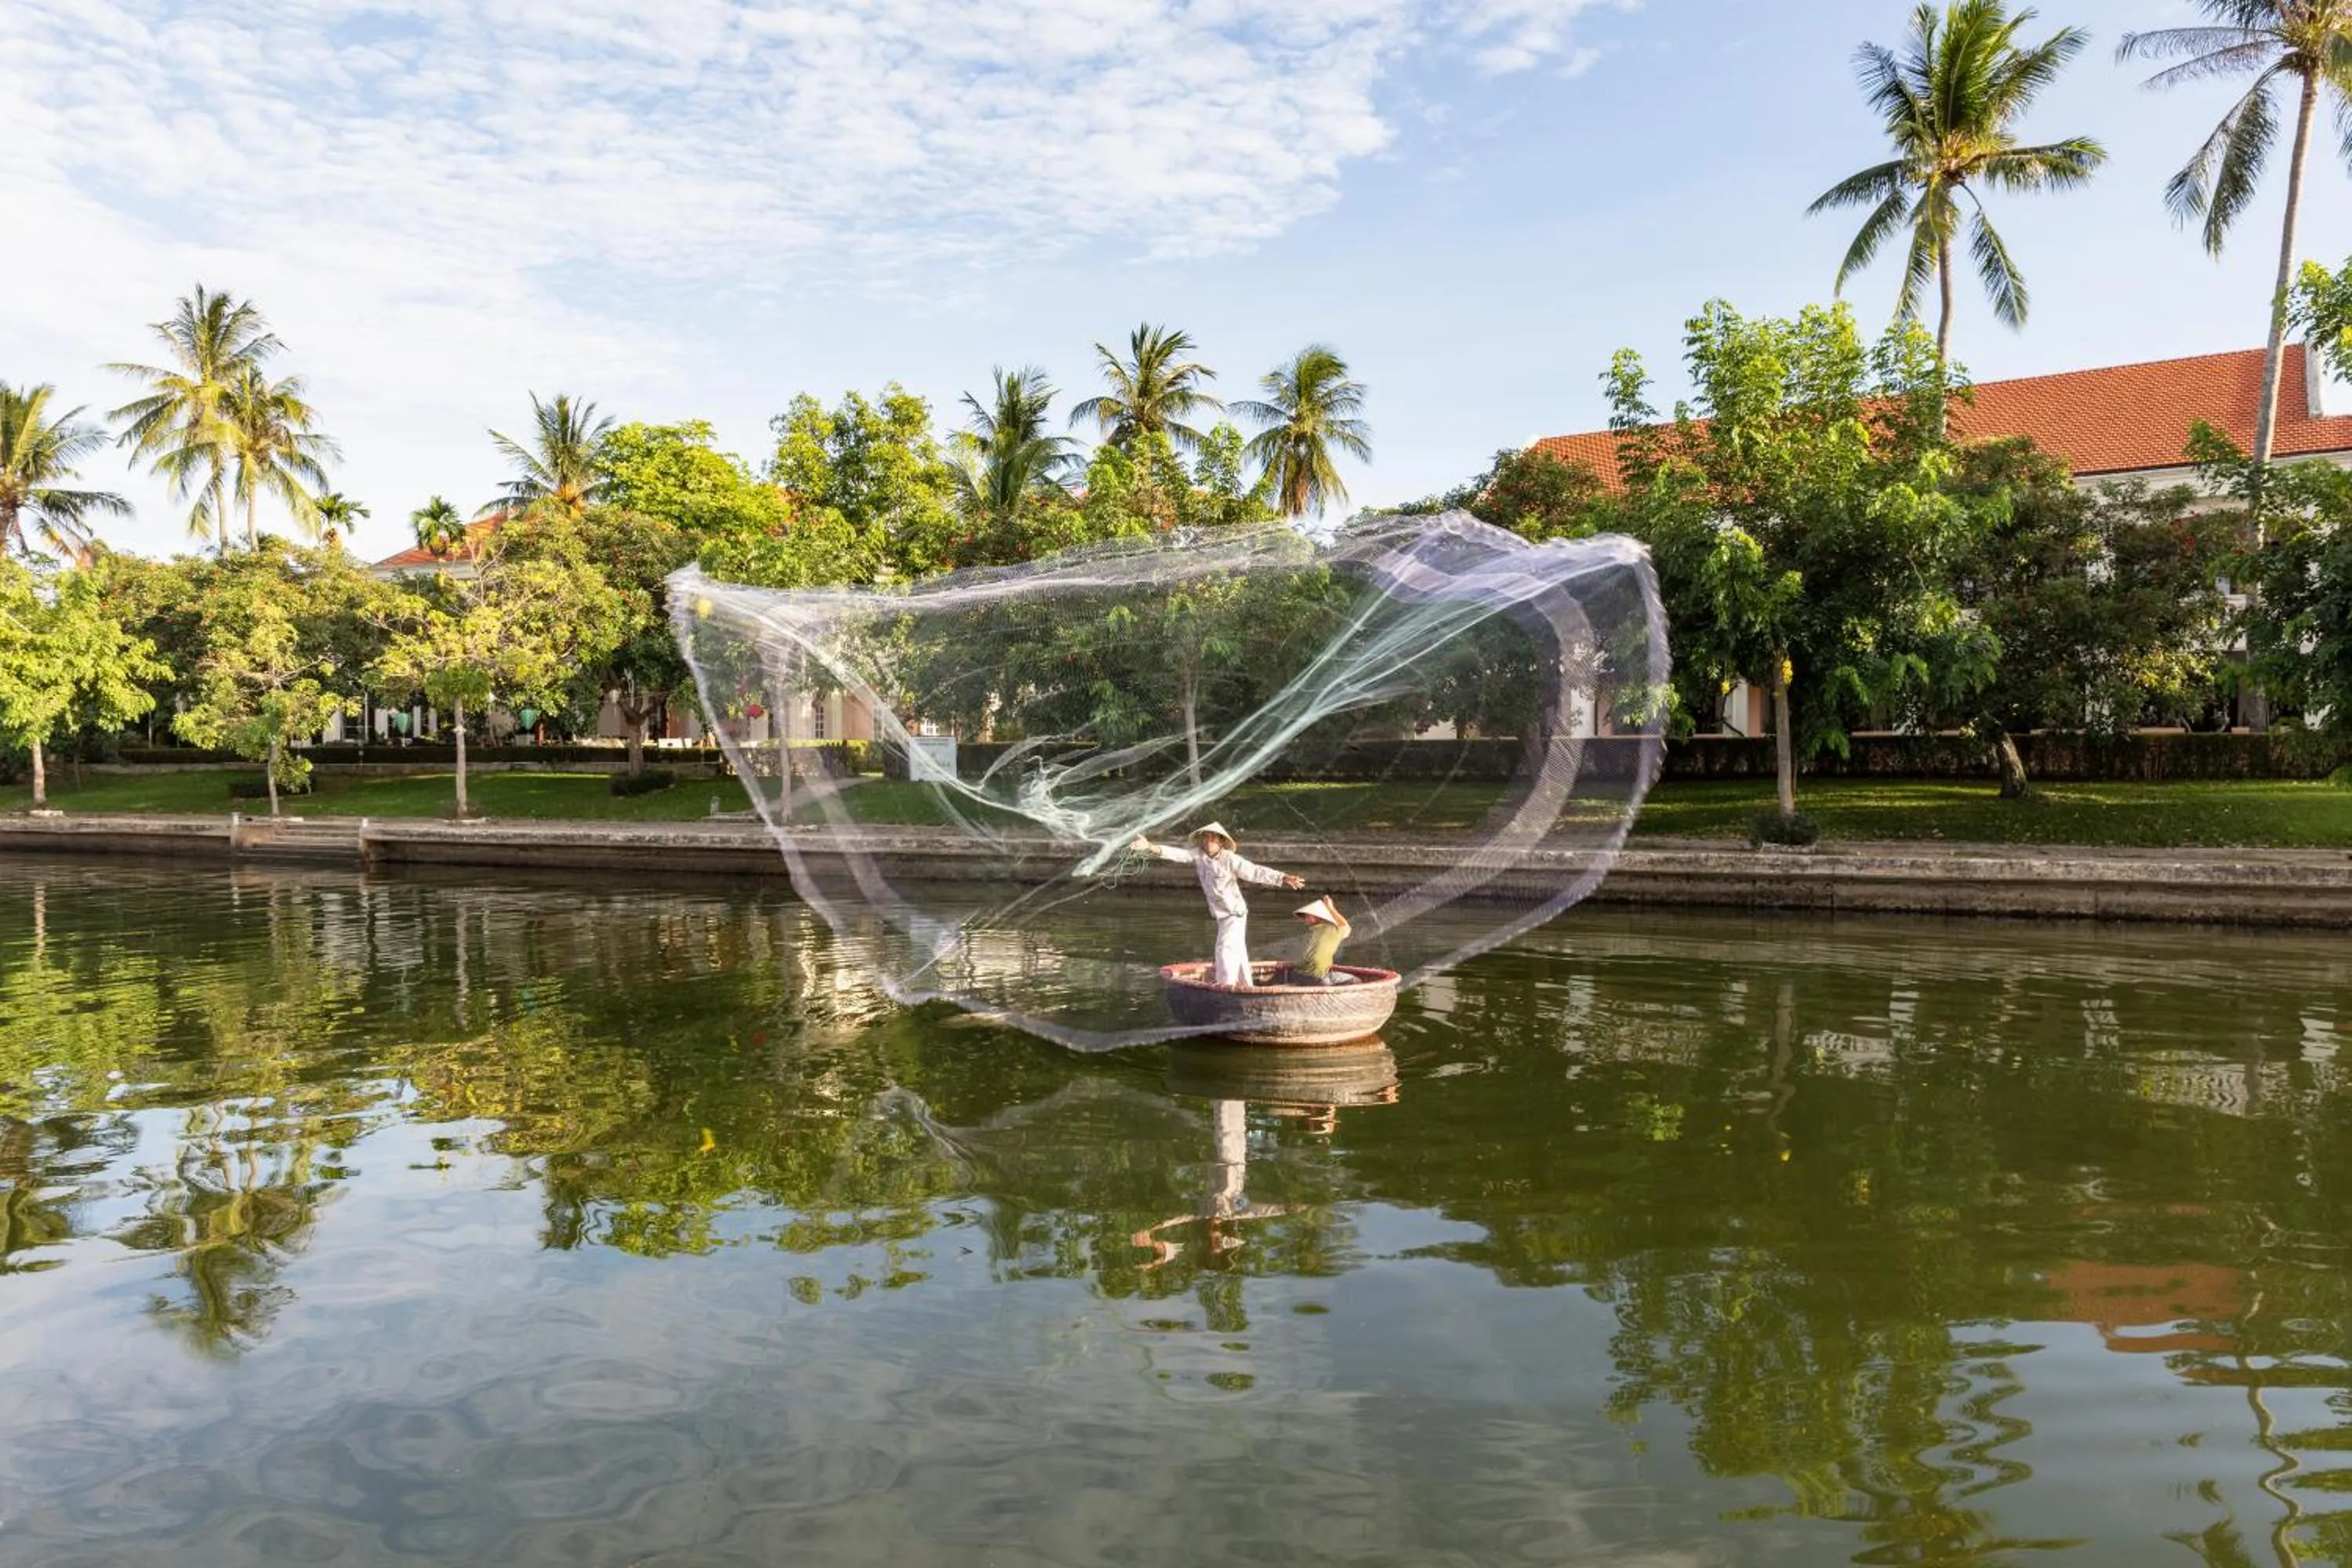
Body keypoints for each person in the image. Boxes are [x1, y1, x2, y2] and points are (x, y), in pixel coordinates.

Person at [1131, 822, 1304, 989]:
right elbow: (1178, 854)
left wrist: (1282, 878)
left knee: (1225, 949)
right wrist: (1149, 846)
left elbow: (1254, 871)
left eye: (1213, 838)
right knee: (1238, 951)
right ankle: (1246, 986)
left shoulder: (1230, 859)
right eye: (1206, 837)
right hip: (1222, 915)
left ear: (1221, 841)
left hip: (1234, 913)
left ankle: (1225, 986)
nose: (1209, 841)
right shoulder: (1199, 855)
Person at [1276, 897, 1353, 986]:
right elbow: (1346, 927)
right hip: (1316, 978)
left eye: (1308, 916)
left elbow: (1345, 927)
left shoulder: (1327, 929)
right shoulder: (1328, 929)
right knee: (1355, 980)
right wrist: (1331, 908)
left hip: (1299, 976)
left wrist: (1330, 908)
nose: (1305, 919)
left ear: (1318, 917)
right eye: (1305, 917)